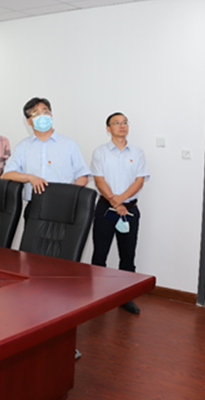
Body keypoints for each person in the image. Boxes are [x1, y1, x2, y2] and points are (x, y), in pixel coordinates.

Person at [90, 113, 149, 314]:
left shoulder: (138, 153)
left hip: (129, 210)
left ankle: (126, 297)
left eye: (125, 122)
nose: (122, 126)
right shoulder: (100, 152)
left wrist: (121, 201)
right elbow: (99, 180)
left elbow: (139, 181)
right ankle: (96, 297)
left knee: (128, 255)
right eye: (116, 123)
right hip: (106, 208)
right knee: (100, 254)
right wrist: (115, 202)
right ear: (108, 128)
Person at [2, 97, 90, 200]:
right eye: (36, 113)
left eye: (45, 112)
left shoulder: (69, 144)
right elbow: (7, 174)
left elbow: (82, 175)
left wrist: (71, 194)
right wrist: (30, 177)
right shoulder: (22, 146)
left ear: (51, 115)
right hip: (34, 203)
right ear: (29, 121)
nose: (42, 116)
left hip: (65, 201)